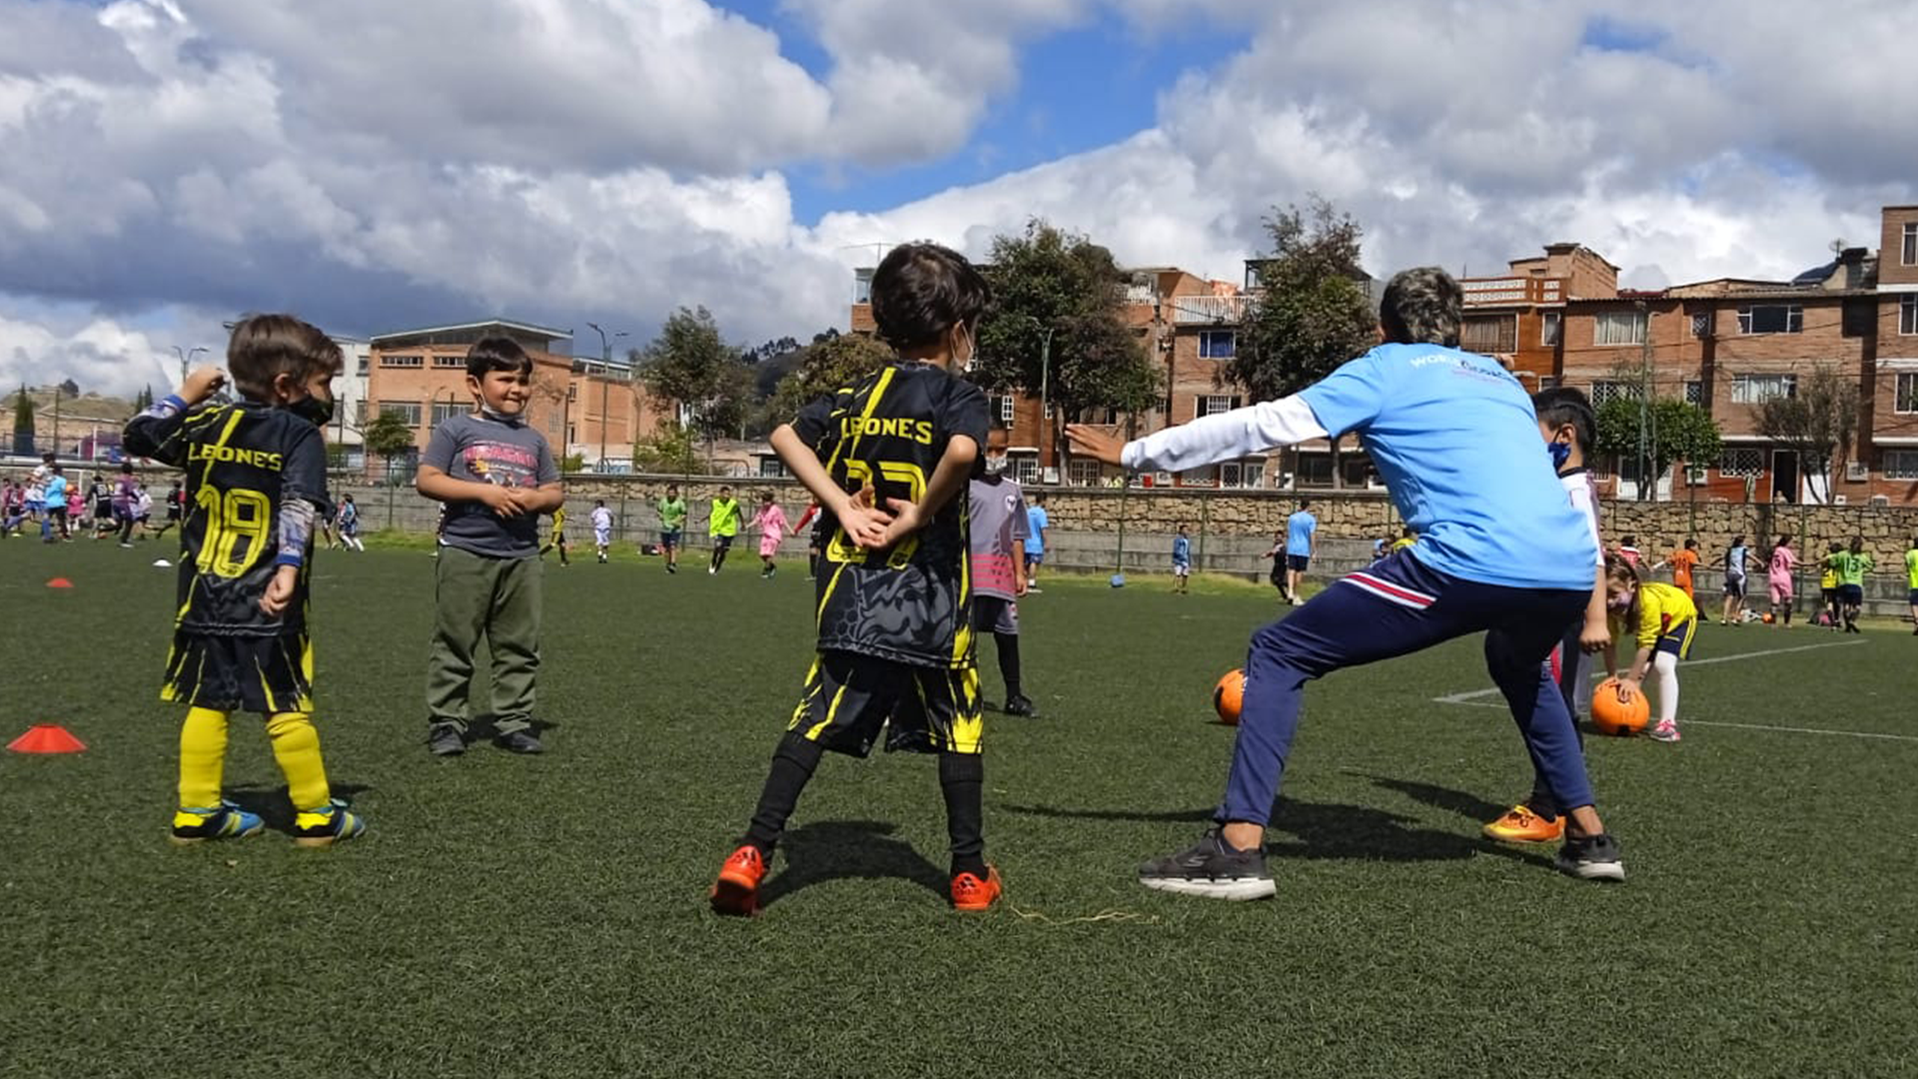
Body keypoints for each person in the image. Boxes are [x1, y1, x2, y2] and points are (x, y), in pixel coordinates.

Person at [1067, 266, 1621, 896]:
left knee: (1278, 651)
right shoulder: (1503, 382)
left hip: (1469, 560)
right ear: (1455, 329)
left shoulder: (1384, 368)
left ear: (1383, 327)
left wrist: (1134, 453)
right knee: (1517, 662)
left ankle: (1237, 847)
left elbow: (1263, 425)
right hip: (1569, 569)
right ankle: (1590, 837)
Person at [710, 241, 1000, 917]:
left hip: (851, 596)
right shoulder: (959, 395)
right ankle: (966, 871)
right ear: (958, 330)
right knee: (959, 722)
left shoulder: (853, 395)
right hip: (931, 598)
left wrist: (840, 505)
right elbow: (961, 450)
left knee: (813, 716)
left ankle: (752, 850)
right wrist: (920, 514)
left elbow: (783, 435)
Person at [120, 314, 364, 847]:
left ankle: (197, 809)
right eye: (323, 384)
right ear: (286, 385)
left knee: (207, 702)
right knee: (285, 702)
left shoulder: (205, 423)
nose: (327, 396)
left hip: (203, 599)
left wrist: (183, 394)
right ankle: (316, 812)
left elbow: (138, 435)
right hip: (269, 601)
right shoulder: (298, 433)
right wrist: (289, 566)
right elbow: (298, 502)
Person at [416, 336, 565, 757]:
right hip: (465, 552)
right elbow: (427, 480)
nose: (517, 389)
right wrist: (483, 494)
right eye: (506, 380)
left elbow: (554, 492)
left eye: (523, 381)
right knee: (455, 641)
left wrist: (536, 500)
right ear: (475, 384)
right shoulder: (456, 430)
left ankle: (514, 722)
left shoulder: (534, 440)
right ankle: (447, 722)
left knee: (519, 644)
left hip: (521, 556)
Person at [1482, 386, 1610, 844]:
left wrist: (1597, 619)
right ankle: (1554, 804)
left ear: (1565, 434)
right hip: (1551, 612)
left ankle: (1549, 808)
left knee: (1557, 707)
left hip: (1568, 618)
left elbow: (1593, 553)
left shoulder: (1574, 488)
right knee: (1551, 703)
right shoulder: (1558, 484)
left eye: (1531, 432)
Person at [1603, 553, 1697, 744]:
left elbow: (1646, 643)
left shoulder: (1647, 602)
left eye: (1613, 594)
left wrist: (1629, 679)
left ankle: (1668, 724)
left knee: (1662, 664)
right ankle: (1627, 714)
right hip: (1658, 624)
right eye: (1603, 595)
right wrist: (1612, 676)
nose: (1608, 602)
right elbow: (1610, 642)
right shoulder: (1608, 609)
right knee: (1643, 670)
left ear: (1631, 586)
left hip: (1680, 617)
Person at [970, 464, 1035, 716]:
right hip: (971, 573)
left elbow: (1017, 535)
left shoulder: (1012, 489)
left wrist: (1019, 572)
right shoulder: (963, 485)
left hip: (1001, 575)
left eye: (1002, 448)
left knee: (1008, 635)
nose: (996, 456)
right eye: (991, 449)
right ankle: (964, 692)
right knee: (964, 637)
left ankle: (1014, 696)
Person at [1833, 535, 1873, 634]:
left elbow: (1833, 563)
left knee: (1846, 606)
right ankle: (1852, 621)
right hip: (1856, 584)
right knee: (1857, 607)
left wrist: (1839, 568)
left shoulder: (1842, 554)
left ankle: (1847, 626)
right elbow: (1870, 566)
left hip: (1844, 583)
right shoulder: (1862, 557)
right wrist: (1863, 570)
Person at [1284, 499, 1316, 605]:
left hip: (1292, 547)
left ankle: (1290, 592)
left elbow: (1288, 532)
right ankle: (1296, 595)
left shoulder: (1292, 518)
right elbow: (1312, 535)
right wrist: (1313, 550)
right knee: (1299, 571)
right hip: (1303, 549)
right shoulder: (1310, 519)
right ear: (1308, 507)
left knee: (1291, 570)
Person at [751, 491, 789, 578]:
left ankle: (766, 571)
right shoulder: (762, 510)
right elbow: (756, 519)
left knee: (769, 553)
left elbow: (783, 521)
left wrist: (791, 531)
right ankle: (772, 566)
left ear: (771, 501)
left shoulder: (776, 509)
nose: (766, 503)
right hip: (766, 534)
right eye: (764, 501)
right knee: (762, 554)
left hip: (774, 535)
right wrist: (747, 526)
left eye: (767, 501)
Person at [1720, 535, 1755, 625]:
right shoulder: (1743, 549)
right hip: (1740, 575)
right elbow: (1752, 557)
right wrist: (1760, 563)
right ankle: (1735, 617)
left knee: (1730, 596)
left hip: (1730, 574)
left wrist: (1712, 563)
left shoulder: (1730, 550)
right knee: (1741, 597)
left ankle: (1724, 618)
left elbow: (1722, 558)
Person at [707, 484, 741, 575]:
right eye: (725, 494)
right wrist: (702, 520)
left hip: (729, 530)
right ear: (721, 494)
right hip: (718, 529)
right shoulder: (715, 502)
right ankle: (713, 560)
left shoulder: (733, 503)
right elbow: (711, 513)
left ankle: (718, 566)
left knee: (723, 551)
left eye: (728, 494)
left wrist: (743, 524)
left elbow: (739, 512)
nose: (727, 496)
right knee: (718, 546)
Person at [1653, 538, 1699, 603]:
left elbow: (1668, 560)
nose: (1697, 548)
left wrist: (1656, 566)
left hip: (1677, 579)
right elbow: (1694, 563)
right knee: (1688, 600)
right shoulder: (1691, 554)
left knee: (1677, 597)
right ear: (1691, 547)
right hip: (1686, 580)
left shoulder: (1678, 553)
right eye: (1696, 546)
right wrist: (1706, 566)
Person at [1767, 534, 1798, 628]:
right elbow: (1794, 562)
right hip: (1784, 578)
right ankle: (1787, 623)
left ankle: (1773, 623)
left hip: (1773, 577)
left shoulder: (1774, 550)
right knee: (1788, 600)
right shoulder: (1785, 551)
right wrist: (1809, 564)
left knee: (1774, 602)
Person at [656, 483, 687, 574]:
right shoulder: (663, 501)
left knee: (673, 546)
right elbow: (658, 510)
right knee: (666, 548)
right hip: (665, 528)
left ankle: (673, 563)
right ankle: (668, 564)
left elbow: (684, 514)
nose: (671, 494)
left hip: (675, 529)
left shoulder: (680, 502)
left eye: (673, 493)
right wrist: (660, 516)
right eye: (669, 493)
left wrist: (678, 521)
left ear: (676, 494)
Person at [1024, 491, 1049, 592]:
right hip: (1036, 543)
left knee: (1026, 563)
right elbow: (1043, 528)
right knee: (1034, 562)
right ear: (1043, 501)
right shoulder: (1041, 513)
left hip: (1026, 542)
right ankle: (1031, 583)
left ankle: (1024, 582)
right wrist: (1047, 541)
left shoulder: (1028, 511)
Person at [112, 462, 139, 547]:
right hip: (122, 502)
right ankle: (124, 541)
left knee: (120, 522)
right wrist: (136, 498)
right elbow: (130, 491)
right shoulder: (127, 479)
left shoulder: (118, 478)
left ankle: (122, 537)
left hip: (115, 501)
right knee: (129, 521)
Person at [796, 498, 822, 579]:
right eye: (814, 498)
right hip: (815, 532)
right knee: (813, 552)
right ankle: (813, 574)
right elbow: (805, 519)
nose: (815, 500)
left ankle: (822, 573)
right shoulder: (811, 509)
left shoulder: (826, 508)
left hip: (824, 532)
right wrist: (797, 529)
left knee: (823, 553)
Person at [40, 465, 68, 544]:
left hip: (48, 502)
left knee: (46, 519)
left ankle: (43, 534)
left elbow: (44, 488)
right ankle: (64, 535)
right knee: (61, 520)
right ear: (59, 471)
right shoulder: (62, 480)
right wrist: (66, 499)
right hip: (59, 502)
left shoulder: (48, 479)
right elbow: (63, 491)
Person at [1820, 542, 1843, 629]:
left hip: (1825, 582)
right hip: (1835, 582)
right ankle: (1836, 620)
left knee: (1829, 602)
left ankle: (1832, 618)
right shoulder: (1837, 558)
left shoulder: (1825, 558)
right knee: (1836, 602)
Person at [1259, 529, 1287, 597]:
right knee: (1275, 580)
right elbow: (1274, 552)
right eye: (1277, 536)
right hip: (1278, 565)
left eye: (1280, 537)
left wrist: (1265, 555)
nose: (1278, 538)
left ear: (1282, 538)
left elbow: (1273, 552)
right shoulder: (1277, 545)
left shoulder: (1280, 546)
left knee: (1276, 580)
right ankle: (1285, 593)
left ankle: (1288, 586)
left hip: (1281, 565)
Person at [1172, 521, 1192, 594]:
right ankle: (1176, 587)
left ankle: (1183, 588)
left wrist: (1188, 559)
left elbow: (1188, 550)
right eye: (1184, 530)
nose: (1186, 531)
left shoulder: (1187, 540)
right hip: (1179, 560)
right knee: (1178, 574)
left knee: (1185, 575)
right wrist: (1180, 557)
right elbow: (1176, 549)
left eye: (1187, 530)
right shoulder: (1178, 539)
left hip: (1186, 559)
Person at [1905, 536, 1918, 636]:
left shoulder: (1910, 554)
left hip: (1914, 583)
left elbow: (1908, 566)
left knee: (1914, 604)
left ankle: (1917, 622)